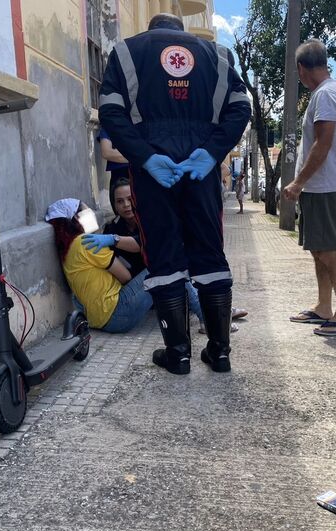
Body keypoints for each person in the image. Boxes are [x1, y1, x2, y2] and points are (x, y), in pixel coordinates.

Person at [99, 13, 251, 374]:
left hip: (154, 174)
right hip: (201, 170)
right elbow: (241, 107)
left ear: (151, 30)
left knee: (164, 256)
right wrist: (212, 151)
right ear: (180, 33)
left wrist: (146, 157)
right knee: (210, 253)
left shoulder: (125, 52)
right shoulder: (219, 55)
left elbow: (110, 112)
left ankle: (178, 354)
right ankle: (220, 352)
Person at [98, 178, 246, 333]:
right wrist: (114, 239)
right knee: (170, 269)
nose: (126, 205)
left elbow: (145, 243)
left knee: (188, 266)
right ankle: (210, 318)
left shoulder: (150, 220)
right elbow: (124, 273)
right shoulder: (111, 229)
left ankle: (217, 310)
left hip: (164, 285)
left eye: (130, 199)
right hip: (141, 290)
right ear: (114, 204)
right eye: (120, 201)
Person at [282, 39, 336, 337]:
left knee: (329, 252)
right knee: (318, 251)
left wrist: (298, 182)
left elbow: (322, 144)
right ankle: (324, 307)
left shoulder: (326, 95)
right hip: (320, 188)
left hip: (324, 188)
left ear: (301, 68)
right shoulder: (329, 92)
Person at [45, 198, 151, 334]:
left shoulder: (67, 250)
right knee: (162, 265)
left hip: (95, 319)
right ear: (77, 218)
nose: (91, 214)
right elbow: (126, 277)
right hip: (118, 313)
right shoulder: (87, 242)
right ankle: (186, 305)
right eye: (87, 211)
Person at [97, 127, 129, 199]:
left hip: (141, 173)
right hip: (120, 174)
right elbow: (107, 153)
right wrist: (137, 156)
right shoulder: (109, 125)